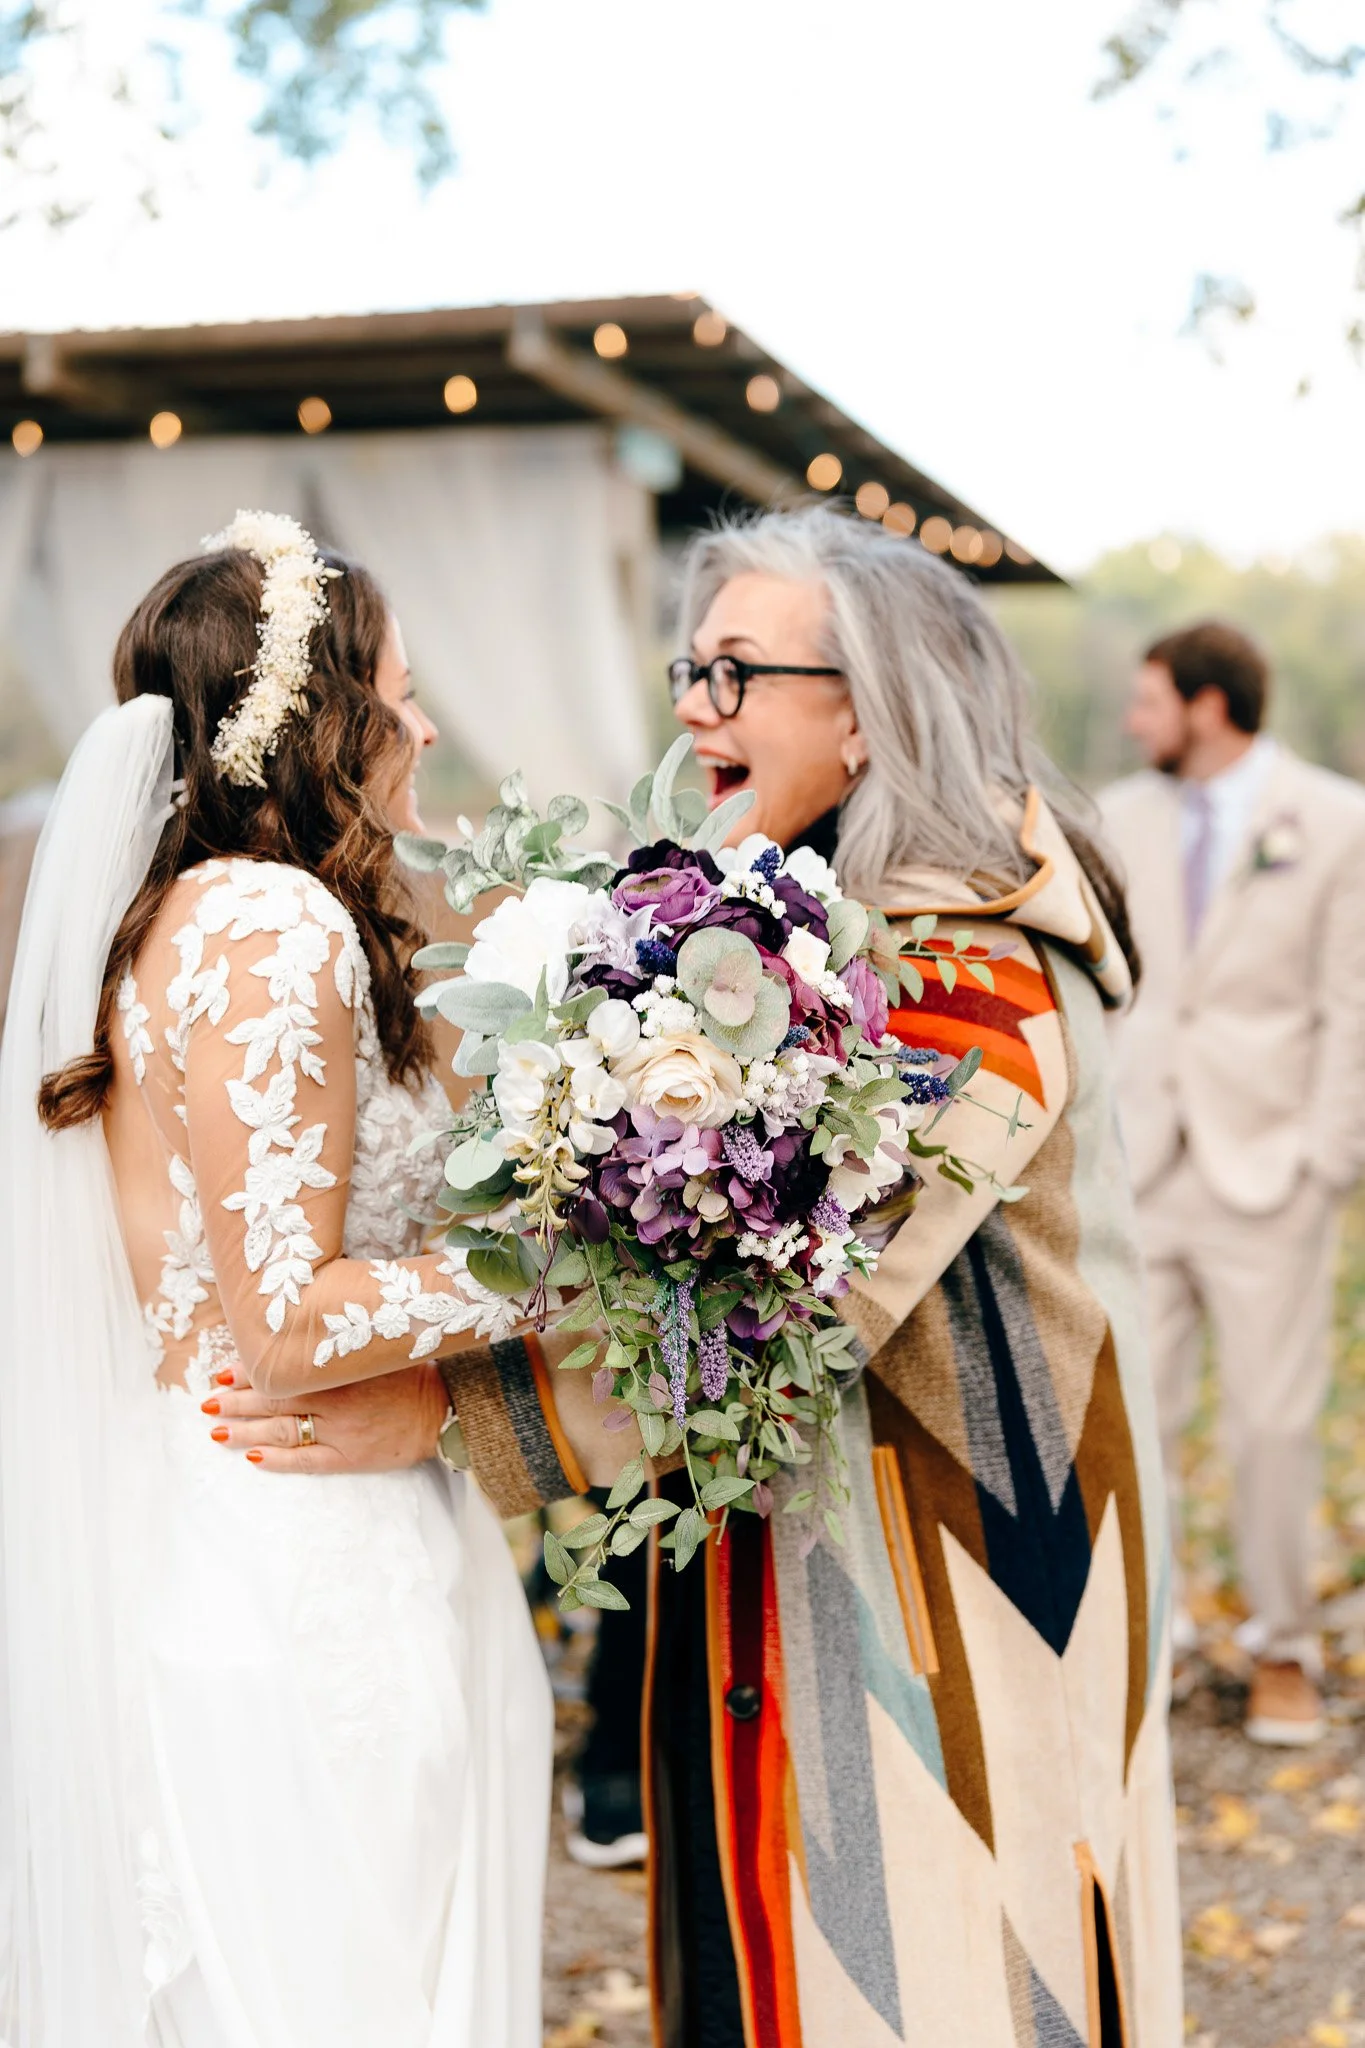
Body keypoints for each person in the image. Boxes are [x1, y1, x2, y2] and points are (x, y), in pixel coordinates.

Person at [219, 505, 1183, 2045]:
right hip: (775, 1553)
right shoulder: (778, 919)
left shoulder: (976, 973)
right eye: (690, 669)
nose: (692, 709)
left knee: (939, 1980)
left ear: (867, 711)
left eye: (734, 675)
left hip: (964, 1577)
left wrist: (446, 1419)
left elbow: (800, 1299)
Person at [0, 514, 553, 2045]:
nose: (428, 724)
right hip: (295, 1546)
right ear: (319, 723)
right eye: (403, 691)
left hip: (240, 1508)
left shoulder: (179, 919)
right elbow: (291, 1319)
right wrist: (558, 1257)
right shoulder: (270, 920)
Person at [1100, 621, 1365, 1747]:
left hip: (1273, 1171)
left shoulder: (1338, 818)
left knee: (1270, 1422)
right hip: (1145, 1163)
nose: (1134, 720)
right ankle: (1142, 1643)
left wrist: (1328, 1158)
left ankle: (1284, 1642)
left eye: (1151, 700)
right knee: (1132, 1419)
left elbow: (1353, 1000)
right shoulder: (1117, 816)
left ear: (1209, 705)